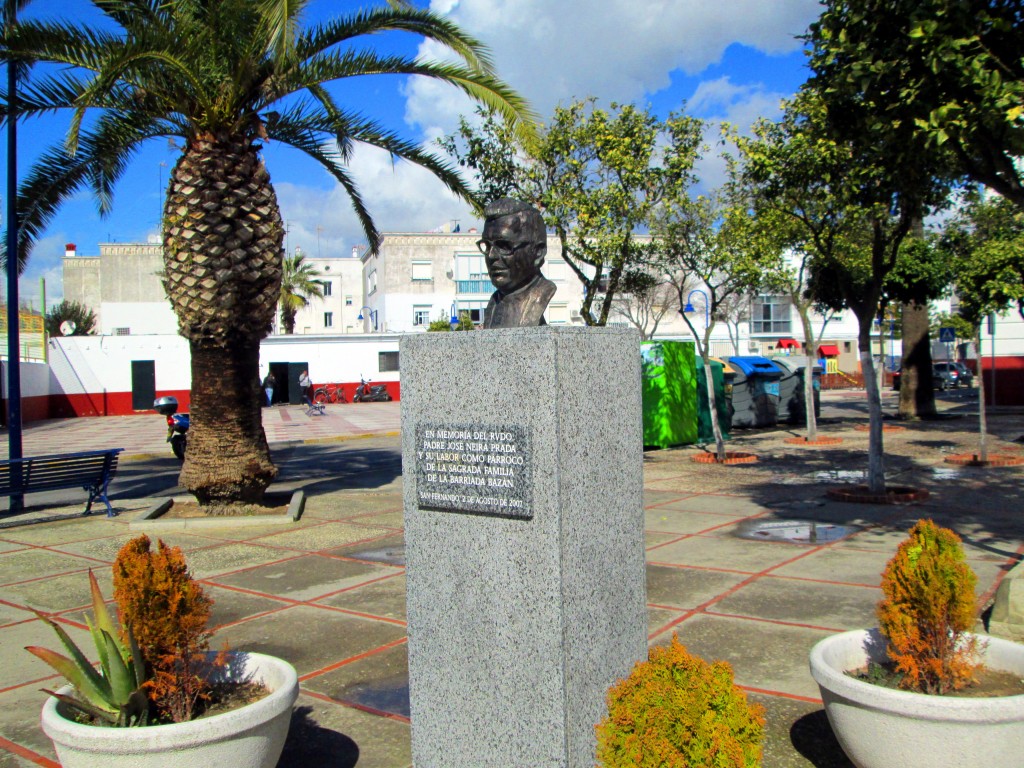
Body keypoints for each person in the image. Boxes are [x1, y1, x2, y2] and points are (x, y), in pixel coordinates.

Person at [479, 198, 556, 328]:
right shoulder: (494, 302)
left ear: (538, 252)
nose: (491, 255)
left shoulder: (540, 295)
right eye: (487, 245)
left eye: (504, 246)